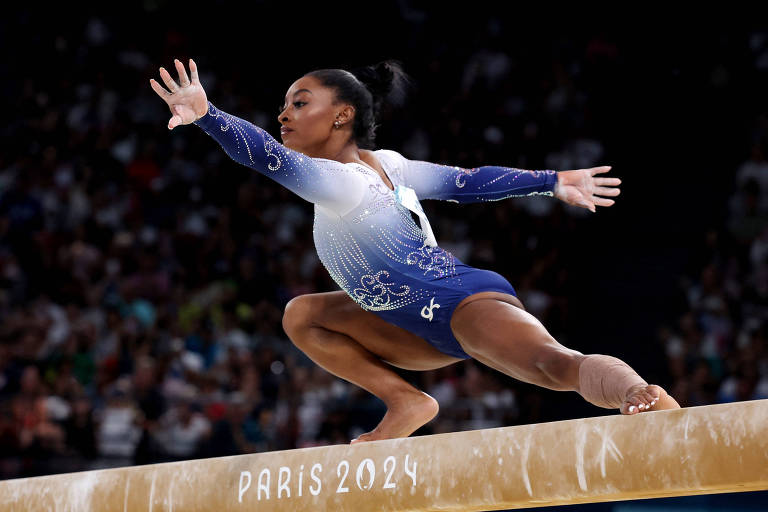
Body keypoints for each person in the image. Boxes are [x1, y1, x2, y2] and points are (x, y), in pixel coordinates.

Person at [150, 58, 680, 445]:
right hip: (404, 326)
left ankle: (642, 395)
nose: (284, 115)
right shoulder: (388, 166)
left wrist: (208, 116)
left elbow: (268, 157)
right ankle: (406, 400)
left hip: (458, 304)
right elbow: (468, 182)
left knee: (553, 365)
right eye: (284, 106)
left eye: (300, 102)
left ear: (342, 115)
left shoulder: (343, 181)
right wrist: (548, 180)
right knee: (304, 315)